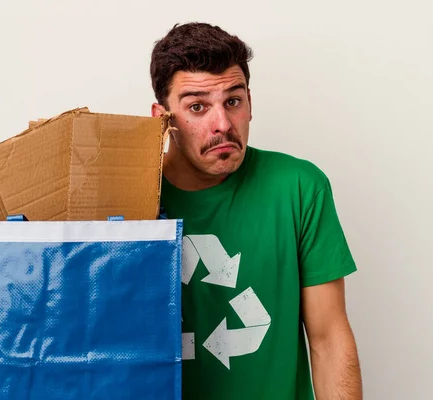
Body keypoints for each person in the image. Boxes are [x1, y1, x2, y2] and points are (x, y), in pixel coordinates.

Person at [150, 22, 362, 399]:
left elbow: (328, 338)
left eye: (233, 101)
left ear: (250, 101)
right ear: (162, 118)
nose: (223, 124)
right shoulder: (131, 199)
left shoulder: (297, 187)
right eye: (197, 107)